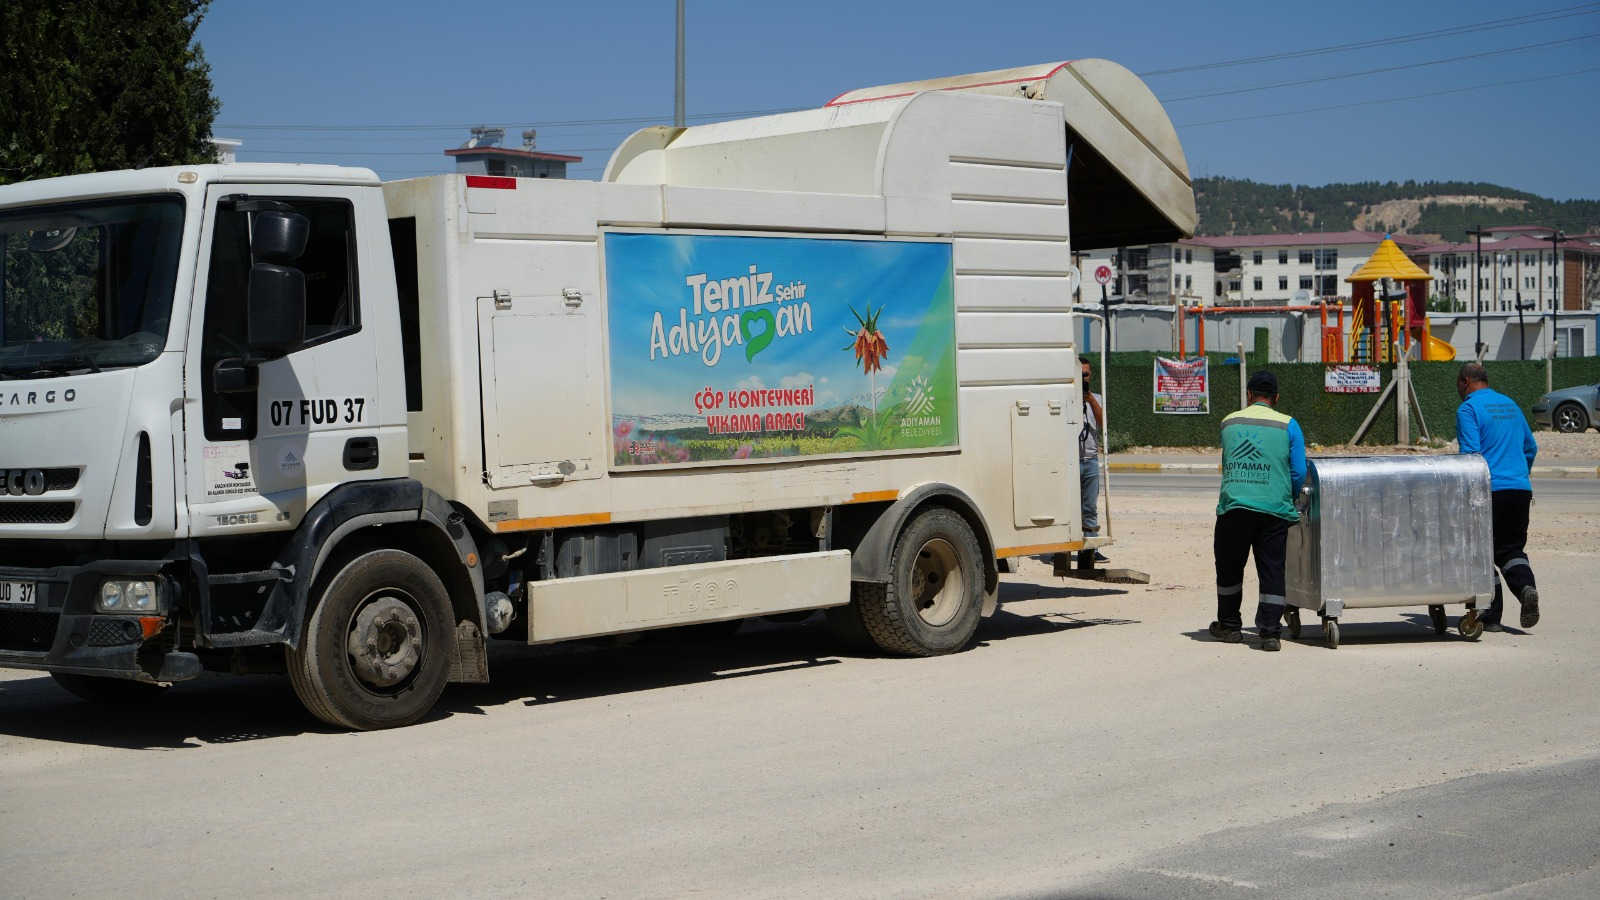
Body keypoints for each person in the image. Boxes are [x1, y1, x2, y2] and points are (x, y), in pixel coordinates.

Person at [1209, 371, 1306, 652]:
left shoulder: (1229, 421)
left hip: (1234, 508)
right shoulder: (1289, 425)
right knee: (1272, 570)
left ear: (1249, 395)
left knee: (1229, 568)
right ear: (1275, 398)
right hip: (1274, 510)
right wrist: (1287, 495)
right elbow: (1298, 471)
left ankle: (1229, 626)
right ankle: (1270, 633)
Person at [1455, 362, 1539, 631]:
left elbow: (1472, 455)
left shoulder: (1468, 408)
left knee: (1479, 551)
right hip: (1519, 489)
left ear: (1466, 381)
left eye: (1458, 383)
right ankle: (1526, 588)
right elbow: (1530, 446)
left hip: (1488, 490)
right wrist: (1519, 474)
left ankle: (1490, 616)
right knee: (1511, 550)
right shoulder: (1510, 405)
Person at [1078, 358, 1109, 568]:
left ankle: (1092, 549)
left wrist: (1090, 400)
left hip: (1090, 461)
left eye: (1086, 375)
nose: (1083, 378)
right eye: (1080, 375)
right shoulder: (1066, 398)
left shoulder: (1095, 398)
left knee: (1089, 508)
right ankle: (1061, 549)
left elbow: (1102, 423)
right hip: (1069, 463)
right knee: (1067, 508)